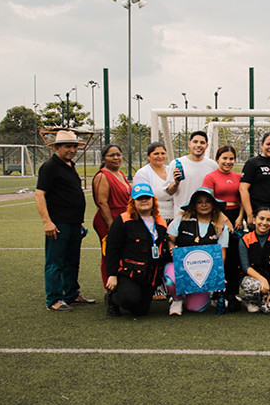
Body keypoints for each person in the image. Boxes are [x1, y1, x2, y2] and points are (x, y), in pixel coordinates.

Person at [34, 130, 94, 312]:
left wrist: (78, 222)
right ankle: (54, 299)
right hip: (58, 223)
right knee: (55, 262)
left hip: (74, 224)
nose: (72, 150)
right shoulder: (50, 166)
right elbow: (39, 194)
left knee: (72, 261)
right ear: (57, 148)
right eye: (68, 146)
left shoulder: (69, 166)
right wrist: (47, 222)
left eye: (75, 147)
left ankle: (71, 294)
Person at [104, 183, 169, 317]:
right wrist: (112, 274)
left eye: (147, 197)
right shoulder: (123, 220)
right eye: (139, 198)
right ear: (133, 202)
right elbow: (112, 249)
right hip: (129, 273)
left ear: (153, 200)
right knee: (129, 300)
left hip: (149, 276)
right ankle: (112, 298)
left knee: (141, 312)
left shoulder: (161, 222)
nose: (143, 201)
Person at [164, 187, 229, 315]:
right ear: (194, 205)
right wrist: (172, 247)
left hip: (202, 273)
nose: (204, 205)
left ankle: (196, 294)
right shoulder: (181, 220)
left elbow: (221, 254)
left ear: (213, 204)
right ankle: (176, 299)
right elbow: (170, 240)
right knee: (170, 279)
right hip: (180, 268)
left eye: (207, 201)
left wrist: (217, 276)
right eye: (199, 202)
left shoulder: (221, 227)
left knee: (195, 308)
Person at [203, 145, 245, 311]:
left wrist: (240, 217)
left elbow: (243, 199)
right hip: (218, 218)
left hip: (236, 219)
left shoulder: (239, 176)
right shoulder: (210, 177)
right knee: (219, 257)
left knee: (234, 257)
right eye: (224, 158)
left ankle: (232, 293)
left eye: (231, 158)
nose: (228, 161)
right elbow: (208, 201)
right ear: (218, 159)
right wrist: (224, 219)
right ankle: (216, 293)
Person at [92, 144, 132, 286]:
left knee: (123, 253)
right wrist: (112, 226)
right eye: (111, 155)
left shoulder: (120, 173)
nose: (116, 158)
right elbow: (102, 203)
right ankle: (109, 287)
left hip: (122, 219)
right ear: (103, 158)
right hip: (108, 220)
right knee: (109, 254)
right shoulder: (102, 176)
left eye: (118, 154)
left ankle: (122, 285)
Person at [238, 207, 270, 314]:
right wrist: (262, 280)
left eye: (269, 220)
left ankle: (265, 297)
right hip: (254, 280)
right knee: (254, 286)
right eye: (261, 218)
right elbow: (245, 267)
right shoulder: (245, 239)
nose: (264, 223)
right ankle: (252, 300)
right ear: (254, 220)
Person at [164, 130, 218, 219]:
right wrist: (176, 183)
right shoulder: (176, 164)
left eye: (202, 142)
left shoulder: (212, 165)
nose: (198, 145)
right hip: (182, 215)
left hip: (206, 215)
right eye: (195, 142)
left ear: (207, 146)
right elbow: (169, 192)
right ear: (189, 143)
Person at [133, 142, 174, 222]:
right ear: (148, 156)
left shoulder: (171, 170)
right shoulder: (143, 173)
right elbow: (142, 198)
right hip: (154, 217)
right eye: (156, 154)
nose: (160, 156)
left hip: (174, 217)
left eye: (163, 153)